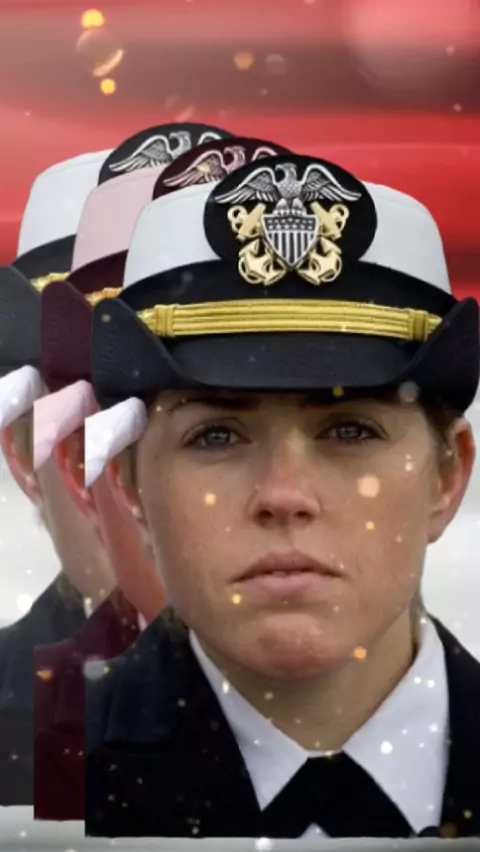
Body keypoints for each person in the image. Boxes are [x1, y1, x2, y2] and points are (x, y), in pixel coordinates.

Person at [80, 153, 478, 839]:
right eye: (215, 436)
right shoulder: (29, 776)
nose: (283, 495)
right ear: (130, 482)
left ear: (447, 477)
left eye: (350, 430)